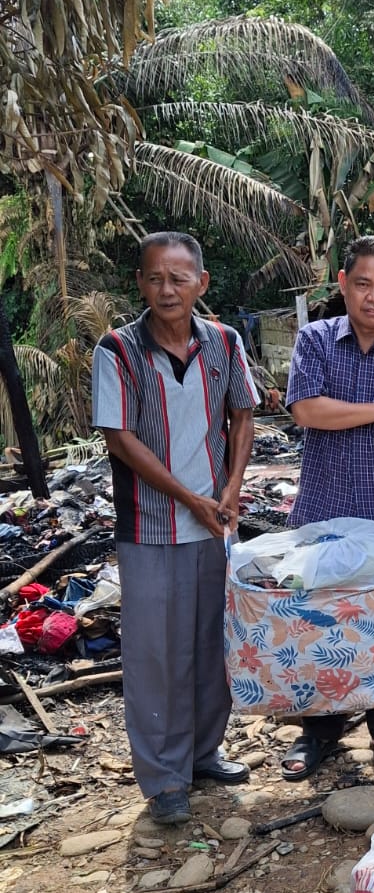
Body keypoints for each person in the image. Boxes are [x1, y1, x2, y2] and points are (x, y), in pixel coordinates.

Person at [92, 231, 259, 825]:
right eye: (155, 277)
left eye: (179, 278)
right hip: (151, 526)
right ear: (140, 283)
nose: (167, 289)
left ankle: (203, 752)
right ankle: (164, 778)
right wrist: (189, 497)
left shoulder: (224, 341)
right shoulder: (117, 350)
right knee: (155, 655)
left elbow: (244, 414)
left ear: (201, 284)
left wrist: (232, 487)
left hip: (215, 523)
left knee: (212, 644)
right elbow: (119, 438)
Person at [278, 235, 374, 781]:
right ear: (343, 284)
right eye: (363, 284)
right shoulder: (315, 340)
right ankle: (317, 734)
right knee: (320, 624)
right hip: (323, 515)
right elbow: (307, 411)